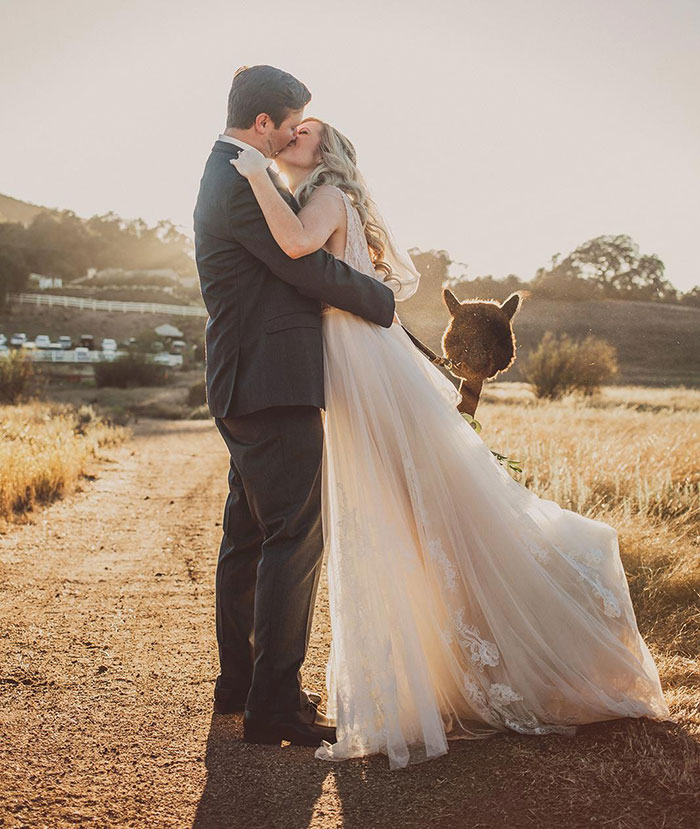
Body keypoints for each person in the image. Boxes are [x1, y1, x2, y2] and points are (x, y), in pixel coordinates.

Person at [230, 116, 672, 769]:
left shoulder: (326, 195)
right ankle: (433, 664)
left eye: (304, 133)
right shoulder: (322, 196)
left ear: (327, 152)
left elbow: (295, 244)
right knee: (407, 509)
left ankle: (506, 646)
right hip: (356, 360)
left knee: (417, 506)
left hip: (364, 365)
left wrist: (252, 174)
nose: (292, 136)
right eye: (290, 131)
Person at [193, 66, 396, 748]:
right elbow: (303, 266)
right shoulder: (239, 178)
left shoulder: (228, 171)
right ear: (262, 123)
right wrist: (381, 299)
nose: (289, 138)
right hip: (271, 382)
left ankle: (241, 683)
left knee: (250, 535)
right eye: (287, 125)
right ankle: (274, 705)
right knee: (294, 536)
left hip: (246, 380)